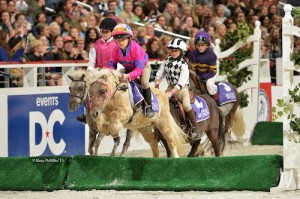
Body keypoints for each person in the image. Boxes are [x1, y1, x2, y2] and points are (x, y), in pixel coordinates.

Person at [154, 38, 198, 137]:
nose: (173, 53)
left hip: (182, 89)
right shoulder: (166, 61)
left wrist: (170, 93)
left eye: (176, 51)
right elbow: (160, 73)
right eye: (172, 50)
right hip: (170, 87)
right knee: (159, 103)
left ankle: (194, 128)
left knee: (186, 105)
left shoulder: (184, 64)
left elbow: (181, 83)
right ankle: (157, 128)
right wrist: (157, 81)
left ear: (181, 52)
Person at [108, 23, 155, 117]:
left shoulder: (136, 48)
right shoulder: (115, 49)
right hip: (128, 67)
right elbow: (111, 65)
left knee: (145, 83)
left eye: (123, 39)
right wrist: (111, 74)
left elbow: (139, 69)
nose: (120, 42)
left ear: (129, 38)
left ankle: (148, 107)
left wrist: (128, 76)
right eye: (118, 39)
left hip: (143, 67)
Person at [77, 17, 118, 123]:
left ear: (112, 32)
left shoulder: (117, 44)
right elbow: (91, 61)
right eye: (102, 31)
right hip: (98, 73)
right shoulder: (97, 44)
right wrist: (90, 72)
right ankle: (86, 113)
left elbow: (120, 62)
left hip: (112, 73)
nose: (103, 33)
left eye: (106, 31)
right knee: (86, 87)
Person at [188, 30, 218, 101]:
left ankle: (216, 100)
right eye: (198, 45)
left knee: (209, 84)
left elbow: (213, 71)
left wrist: (203, 77)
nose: (200, 47)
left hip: (211, 73)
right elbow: (192, 68)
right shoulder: (192, 54)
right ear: (196, 45)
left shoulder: (211, 55)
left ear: (207, 45)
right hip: (198, 74)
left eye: (203, 45)